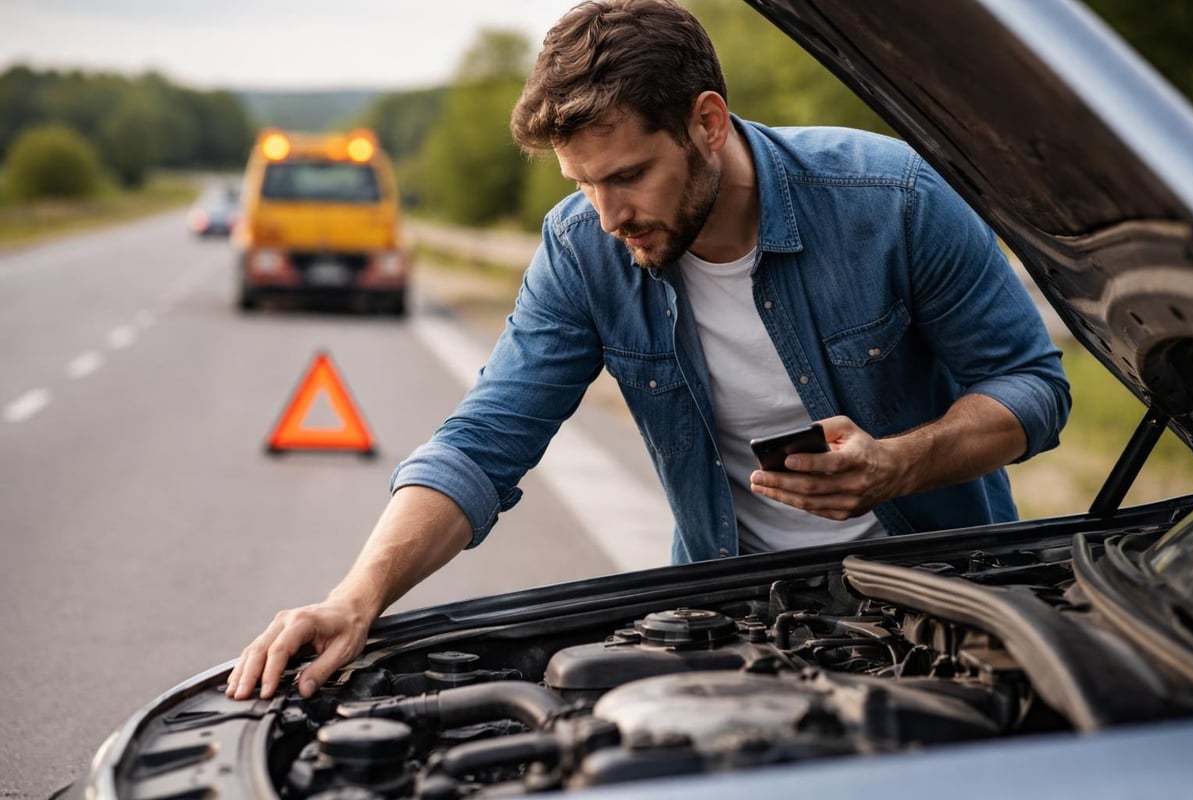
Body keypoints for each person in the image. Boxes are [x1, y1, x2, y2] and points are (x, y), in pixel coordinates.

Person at [227, 0, 1069, 701]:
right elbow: (484, 445)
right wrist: (355, 597)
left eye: (627, 175)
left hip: (944, 607)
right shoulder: (583, 252)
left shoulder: (891, 198)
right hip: (731, 616)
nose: (606, 214)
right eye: (582, 183)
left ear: (707, 122)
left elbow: (1034, 387)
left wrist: (900, 465)